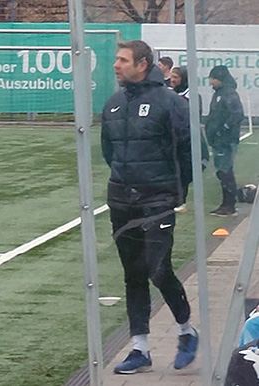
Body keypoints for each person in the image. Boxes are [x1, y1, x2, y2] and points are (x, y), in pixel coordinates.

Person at [101, 40, 198, 374]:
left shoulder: (170, 103)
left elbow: (188, 151)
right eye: (116, 59)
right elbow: (108, 152)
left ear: (142, 64)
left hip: (159, 200)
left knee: (159, 269)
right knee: (133, 275)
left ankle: (186, 331)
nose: (116, 65)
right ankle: (140, 348)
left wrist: (177, 191)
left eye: (123, 60)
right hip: (121, 201)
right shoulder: (113, 104)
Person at [169, 66, 210, 213]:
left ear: (184, 79)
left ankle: (181, 201)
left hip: (187, 140)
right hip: (172, 140)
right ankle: (174, 199)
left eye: (176, 77)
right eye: (172, 77)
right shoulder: (169, 94)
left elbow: (193, 118)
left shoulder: (192, 95)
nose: (172, 80)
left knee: (184, 171)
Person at [205, 65, 245, 217]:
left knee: (225, 171)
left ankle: (229, 205)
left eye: (213, 78)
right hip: (219, 140)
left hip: (225, 141)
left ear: (219, 79)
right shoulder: (220, 93)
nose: (210, 82)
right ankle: (228, 203)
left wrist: (223, 129)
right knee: (222, 170)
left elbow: (237, 115)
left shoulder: (228, 94)